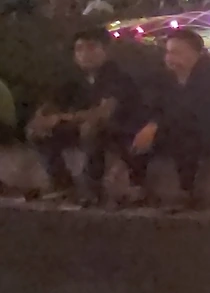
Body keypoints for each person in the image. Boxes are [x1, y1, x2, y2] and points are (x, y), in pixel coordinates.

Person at [27, 27, 145, 204]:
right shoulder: (74, 78)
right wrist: (41, 118)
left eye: (91, 47)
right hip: (83, 126)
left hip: (121, 129)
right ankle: (61, 183)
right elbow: (52, 103)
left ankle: (92, 188)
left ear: (105, 50)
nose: (85, 54)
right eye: (79, 49)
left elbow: (103, 113)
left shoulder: (117, 76)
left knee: (91, 127)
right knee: (35, 131)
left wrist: (60, 118)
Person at [128, 28, 210, 208]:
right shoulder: (164, 78)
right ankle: (137, 186)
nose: (170, 58)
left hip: (208, 130)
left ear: (195, 54)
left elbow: (197, 111)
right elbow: (156, 106)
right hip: (170, 127)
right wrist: (152, 124)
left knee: (184, 135)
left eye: (176, 52)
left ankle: (186, 191)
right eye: (168, 52)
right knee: (134, 131)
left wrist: (157, 125)